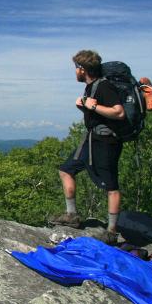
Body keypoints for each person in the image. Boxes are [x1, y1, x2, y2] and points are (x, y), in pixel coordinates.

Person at [50, 50, 125, 245]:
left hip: (106, 142)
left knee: (111, 186)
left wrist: (91, 107)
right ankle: (71, 215)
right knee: (66, 170)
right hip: (91, 140)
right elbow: (95, 110)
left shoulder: (104, 87)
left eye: (76, 68)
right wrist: (83, 105)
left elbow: (118, 112)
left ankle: (111, 231)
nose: (75, 72)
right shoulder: (90, 87)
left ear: (82, 70)